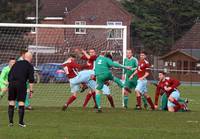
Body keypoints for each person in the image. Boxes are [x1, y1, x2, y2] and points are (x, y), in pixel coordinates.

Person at [8, 52, 34, 127]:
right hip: (21, 84)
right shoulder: (29, 66)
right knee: (21, 102)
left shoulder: (16, 63)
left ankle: (11, 122)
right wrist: (31, 91)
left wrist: (11, 83)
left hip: (12, 84)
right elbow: (31, 79)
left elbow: (9, 75)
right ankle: (20, 122)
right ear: (30, 58)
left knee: (11, 102)